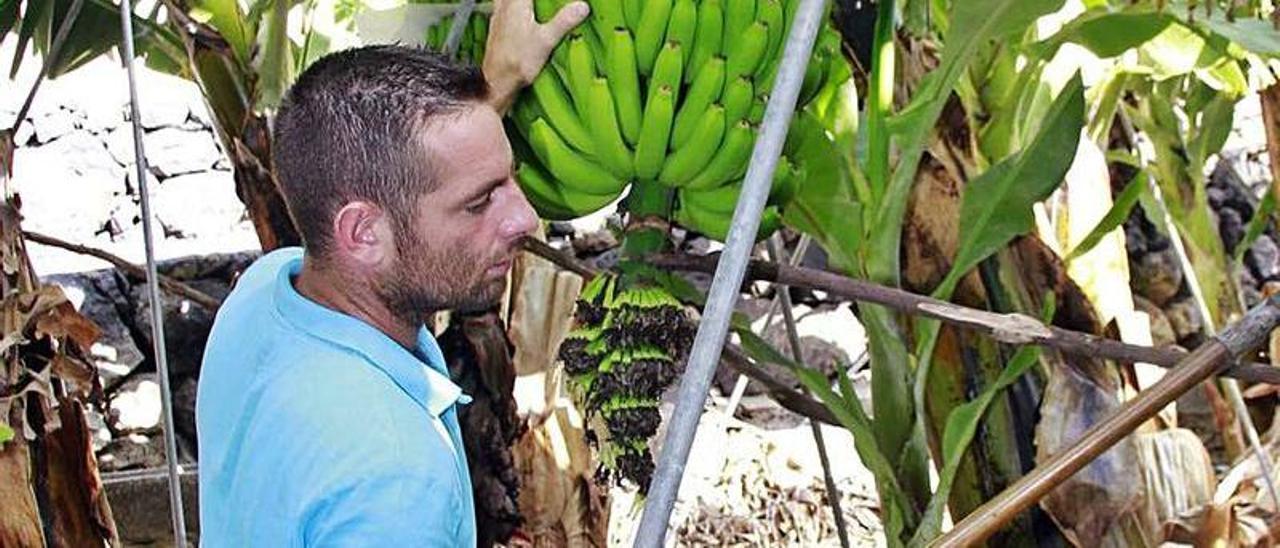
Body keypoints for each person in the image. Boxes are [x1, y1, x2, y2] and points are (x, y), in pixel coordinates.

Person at [195, 1, 590, 545]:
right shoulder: (396, 485)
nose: (525, 218)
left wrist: (498, 83)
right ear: (362, 234)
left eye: (509, 182)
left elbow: (412, 177)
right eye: (480, 202)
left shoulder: (264, 295)